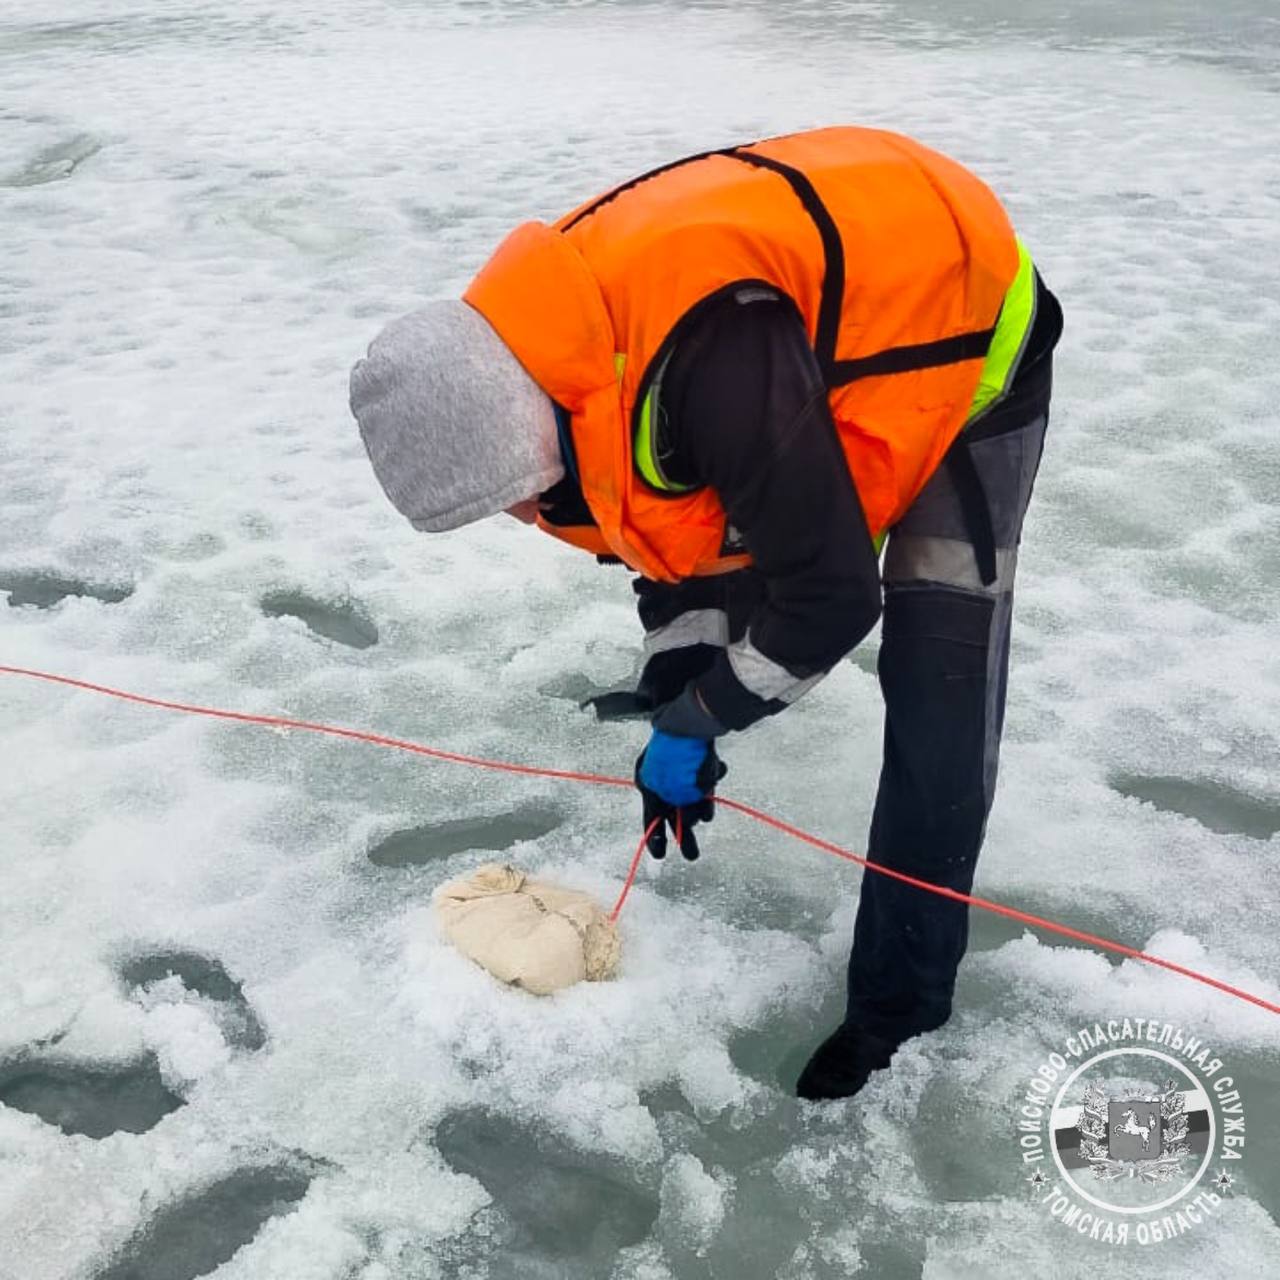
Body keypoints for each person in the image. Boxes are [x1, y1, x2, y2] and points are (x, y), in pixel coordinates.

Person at [349, 125, 1063, 1100]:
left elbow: (831, 595)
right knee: (765, 515)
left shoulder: (705, 357)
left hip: (967, 338)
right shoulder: (556, 352)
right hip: (809, 364)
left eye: (508, 497)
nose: (521, 515)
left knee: (938, 687)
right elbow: (678, 529)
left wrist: (702, 718)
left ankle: (898, 1009)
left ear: (516, 422)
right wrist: (680, 671)